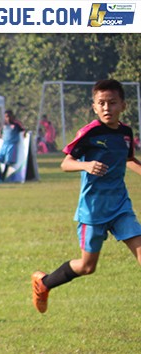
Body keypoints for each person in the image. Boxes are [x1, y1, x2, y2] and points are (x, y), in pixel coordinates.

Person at [31, 79, 141, 314]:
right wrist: (86, 165)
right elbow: (65, 163)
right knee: (87, 266)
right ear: (94, 106)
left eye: (112, 103)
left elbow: (128, 160)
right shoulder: (90, 133)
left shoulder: (125, 133)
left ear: (123, 105)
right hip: (93, 210)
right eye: (101, 103)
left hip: (121, 206)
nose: (106, 108)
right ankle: (44, 282)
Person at [0, 110, 25, 182]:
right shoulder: (4, 124)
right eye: (6, 116)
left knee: (8, 162)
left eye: (9, 116)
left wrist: (24, 133)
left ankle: (3, 176)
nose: (8, 118)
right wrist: (0, 133)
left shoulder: (16, 124)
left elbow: (23, 129)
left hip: (12, 144)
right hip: (5, 144)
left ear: (12, 116)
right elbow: (1, 130)